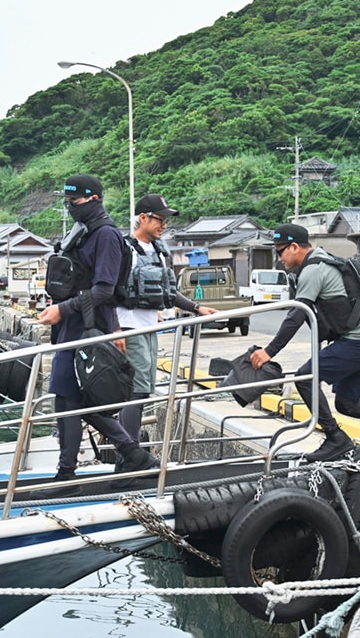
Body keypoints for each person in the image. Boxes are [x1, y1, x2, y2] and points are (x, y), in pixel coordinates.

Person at [249, 223, 360, 462]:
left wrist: (269, 352)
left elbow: (297, 314)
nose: (278, 258)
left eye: (279, 251)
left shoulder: (313, 270)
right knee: (346, 404)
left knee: (305, 379)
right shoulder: (324, 260)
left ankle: (335, 438)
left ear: (294, 247)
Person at [34, 173, 145, 497]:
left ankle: (68, 475)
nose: (70, 207)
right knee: (72, 399)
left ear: (93, 200)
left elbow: (104, 290)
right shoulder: (81, 232)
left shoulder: (107, 235)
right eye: (66, 201)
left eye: (75, 201)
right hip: (70, 325)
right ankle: (132, 453)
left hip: (88, 326)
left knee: (68, 397)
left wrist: (62, 309)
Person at [115, 194, 217, 470]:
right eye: (159, 219)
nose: (164, 224)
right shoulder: (126, 250)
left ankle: (130, 454)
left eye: (166, 219)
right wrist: (115, 331)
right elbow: (110, 291)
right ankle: (129, 458)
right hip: (129, 326)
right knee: (134, 392)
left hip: (149, 327)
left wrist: (197, 308)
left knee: (144, 391)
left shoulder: (159, 251)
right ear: (143, 218)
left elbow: (168, 293)